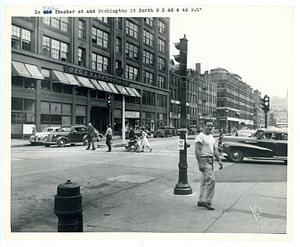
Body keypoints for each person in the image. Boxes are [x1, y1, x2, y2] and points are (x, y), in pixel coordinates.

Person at [195, 120, 223, 210]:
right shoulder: (200, 136)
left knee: (205, 181)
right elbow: (197, 150)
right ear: (203, 126)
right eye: (208, 126)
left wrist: (219, 160)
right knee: (211, 180)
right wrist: (200, 163)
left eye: (211, 126)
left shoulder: (211, 137)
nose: (210, 128)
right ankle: (207, 201)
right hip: (204, 159)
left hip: (210, 159)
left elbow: (214, 150)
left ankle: (201, 200)